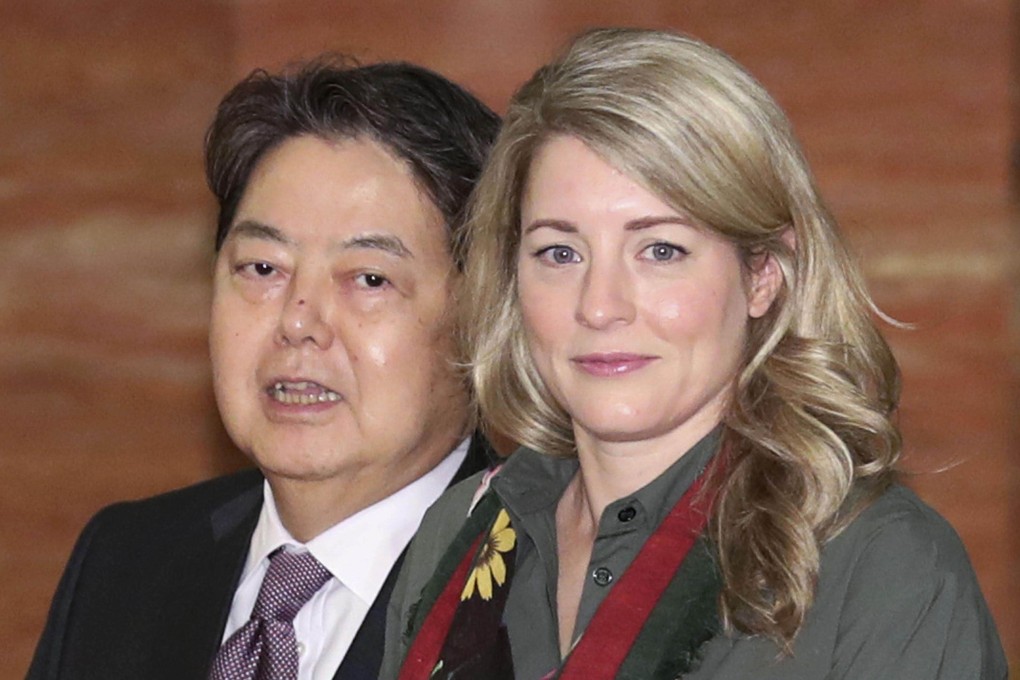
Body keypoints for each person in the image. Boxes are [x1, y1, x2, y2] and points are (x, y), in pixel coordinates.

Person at [383, 27, 1008, 680]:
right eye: (560, 253)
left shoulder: (881, 566)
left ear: (763, 274)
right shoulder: (460, 532)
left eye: (661, 251)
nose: (600, 306)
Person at [28, 57, 499, 680]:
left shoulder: (550, 603)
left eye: (368, 279)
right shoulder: (124, 562)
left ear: (486, 313)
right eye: (262, 268)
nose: (298, 322)